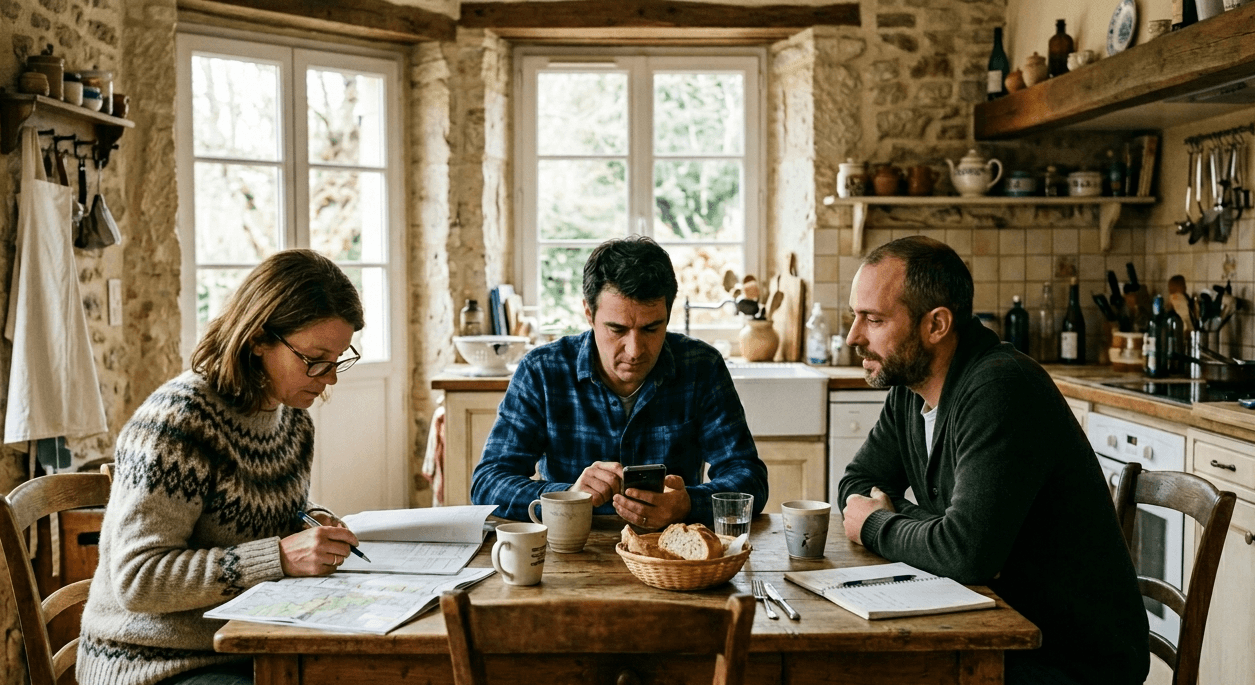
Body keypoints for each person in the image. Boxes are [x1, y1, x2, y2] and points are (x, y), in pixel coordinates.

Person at [837, 236, 1149, 685]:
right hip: (992, 623)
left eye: (874, 319)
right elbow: (857, 485)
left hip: (1069, 657)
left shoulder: (1002, 389)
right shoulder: (913, 387)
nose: (854, 336)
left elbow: (964, 555)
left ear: (937, 324)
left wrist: (878, 523)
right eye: (855, 316)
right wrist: (930, 527)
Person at [77, 249, 367, 685]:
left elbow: (254, 514)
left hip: (249, 642)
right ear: (257, 340)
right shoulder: (178, 423)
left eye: (339, 359)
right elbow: (139, 579)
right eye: (315, 359)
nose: (330, 378)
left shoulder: (292, 422)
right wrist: (280, 557)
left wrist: (308, 519)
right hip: (150, 661)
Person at [471, 236, 769, 529]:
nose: (635, 350)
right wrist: (566, 497)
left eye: (651, 328)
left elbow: (748, 476)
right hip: (570, 556)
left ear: (668, 314)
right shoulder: (543, 371)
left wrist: (690, 503)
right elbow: (487, 483)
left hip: (671, 560)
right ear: (589, 313)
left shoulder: (701, 367)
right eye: (617, 329)